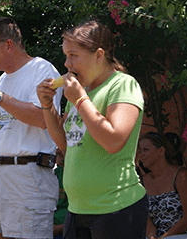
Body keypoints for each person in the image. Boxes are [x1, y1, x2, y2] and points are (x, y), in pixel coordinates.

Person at [36, 19, 147, 238]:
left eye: (74, 55)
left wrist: (79, 100)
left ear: (99, 55)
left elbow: (114, 141)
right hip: (77, 210)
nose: (67, 64)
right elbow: (66, 144)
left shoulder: (123, 84)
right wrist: (47, 106)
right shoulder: (79, 93)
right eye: (66, 55)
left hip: (116, 209)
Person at [0, 16, 62, 239]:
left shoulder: (42, 69)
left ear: (8, 44)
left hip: (28, 174)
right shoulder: (3, 80)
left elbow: (44, 119)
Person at [137, 132, 187, 239]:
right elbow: (146, 218)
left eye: (146, 150)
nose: (141, 155)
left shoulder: (183, 177)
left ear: (161, 151)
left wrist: (164, 237)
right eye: (140, 150)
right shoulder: (142, 182)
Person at [53, 148, 68, 239]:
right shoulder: (54, 174)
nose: (58, 149)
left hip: (69, 229)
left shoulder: (80, 176)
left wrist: (58, 228)